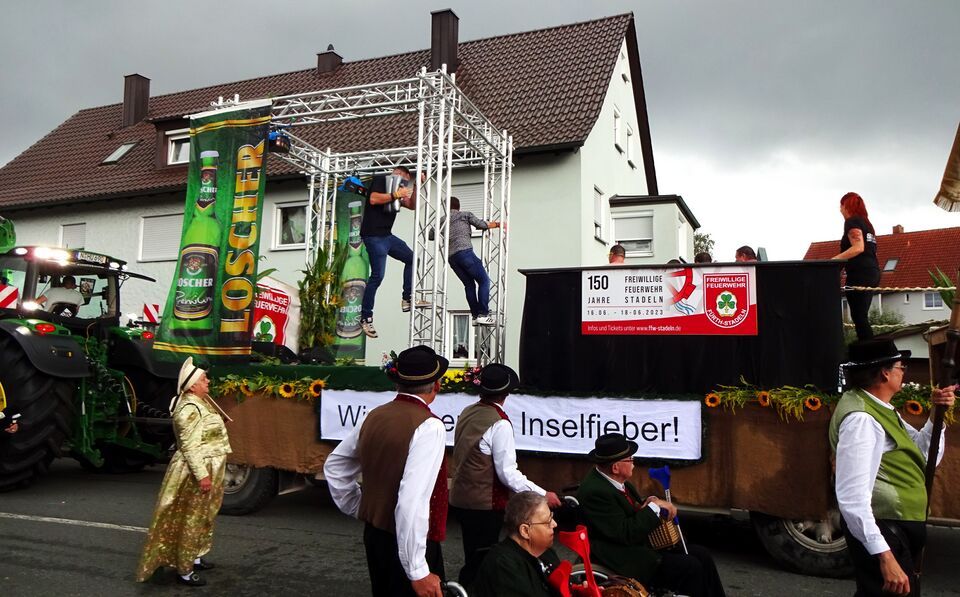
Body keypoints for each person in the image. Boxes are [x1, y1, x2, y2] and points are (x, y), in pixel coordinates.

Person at [830, 339, 955, 597]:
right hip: (887, 529)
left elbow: (923, 454)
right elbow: (852, 498)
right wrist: (885, 556)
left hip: (895, 529)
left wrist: (937, 414)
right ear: (884, 373)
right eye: (901, 366)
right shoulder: (861, 420)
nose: (903, 371)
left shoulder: (879, 408)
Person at [324, 345, 450, 597]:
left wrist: (360, 506)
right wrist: (418, 570)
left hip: (376, 534)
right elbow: (411, 500)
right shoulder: (430, 426)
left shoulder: (374, 415)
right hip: (410, 542)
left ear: (398, 383)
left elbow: (335, 466)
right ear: (435, 387)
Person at [449, 364, 561, 586]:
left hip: (461, 497)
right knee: (482, 560)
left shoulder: (468, 411)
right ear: (506, 393)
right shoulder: (499, 423)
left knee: (474, 555)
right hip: (484, 504)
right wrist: (542, 495)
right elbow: (508, 474)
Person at [577, 433, 726, 597]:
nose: (634, 463)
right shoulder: (596, 492)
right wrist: (654, 507)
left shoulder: (613, 480)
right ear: (615, 468)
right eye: (630, 459)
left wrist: (649, 502)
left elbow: (630, 509)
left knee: (702, 554)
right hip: (620, 555)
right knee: (690, 567)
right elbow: (625, 533)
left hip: (636, 544)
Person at [136, 357, 232, 587]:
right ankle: (185, 570)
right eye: (204, 379)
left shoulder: (200, 402)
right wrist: (202, 475)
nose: (208, 381)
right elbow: (189, 446)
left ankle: (194, 556)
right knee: (192, 519)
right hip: (197, 469)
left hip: (210, 465)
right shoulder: (189, 409)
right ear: (192, 385)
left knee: (203, 516)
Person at [359, 166, 429, 339]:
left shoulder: (398, 189)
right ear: (397, 174)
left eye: (406, 181)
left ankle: (407, 298)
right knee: (378, 276)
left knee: (412, 258)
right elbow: (373, 199)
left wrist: (417, 185)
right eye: (402, 179)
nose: (403, 183)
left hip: (387, 236)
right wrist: (396, 194)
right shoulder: (381, 181)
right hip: (373, 235)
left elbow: (411, 205)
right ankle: (366, 317)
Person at [470, 491, 563, 597]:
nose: (554, 524)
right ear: (525, 531)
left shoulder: (544, 550)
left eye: (552, 517)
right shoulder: (503, 567)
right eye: (548, 521)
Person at [832, 192, 880, 340]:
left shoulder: (852, 222)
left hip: (860, 274)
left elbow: (858, 247)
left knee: (859, 317)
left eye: (841, 206)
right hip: (873, 272)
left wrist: (833, 261)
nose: (840, 209)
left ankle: (868, 348)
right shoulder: (867, 225)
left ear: (846, 206)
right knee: (861, 316)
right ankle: (868, 346)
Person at [447, 196, 499, 326]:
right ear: (459, 206)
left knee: (469, 285)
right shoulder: (465, 215)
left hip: (452, 258)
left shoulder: (443, 220)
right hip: (465, 253)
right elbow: (481, 225)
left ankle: (475, 316)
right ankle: (483, 314)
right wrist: (498, 224)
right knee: (484, 280)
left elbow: (431, 235)